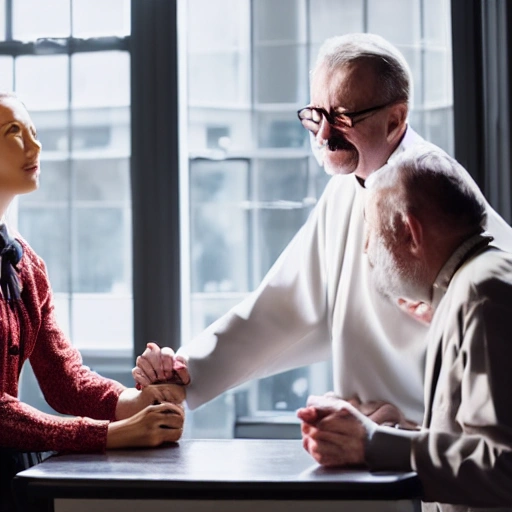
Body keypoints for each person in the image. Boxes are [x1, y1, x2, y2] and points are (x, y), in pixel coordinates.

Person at [133, 34, 512, 427]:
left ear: (396, 119)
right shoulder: (347, 185)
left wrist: (420, 433)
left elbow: (492, 313)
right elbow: (286, 306)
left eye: (344, 118)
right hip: (372, 444)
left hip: (443, 450)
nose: (323, 136)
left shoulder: (431, 187)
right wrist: (188, 369)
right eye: (316, 115)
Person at [0, 92, 187, 512]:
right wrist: (109, 435)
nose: (36, 146)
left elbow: (65, 379)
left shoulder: (26, 265)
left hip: (15, 478)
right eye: (14, 133)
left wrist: (137, 403)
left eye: (33, 131)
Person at [298, 145, 512, 511]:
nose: (366, 249)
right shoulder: (468, 288)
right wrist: (386, 433)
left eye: (373, 230)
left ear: (411, 233)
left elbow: (503, 469)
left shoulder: (481, 294)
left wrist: (372, 444)